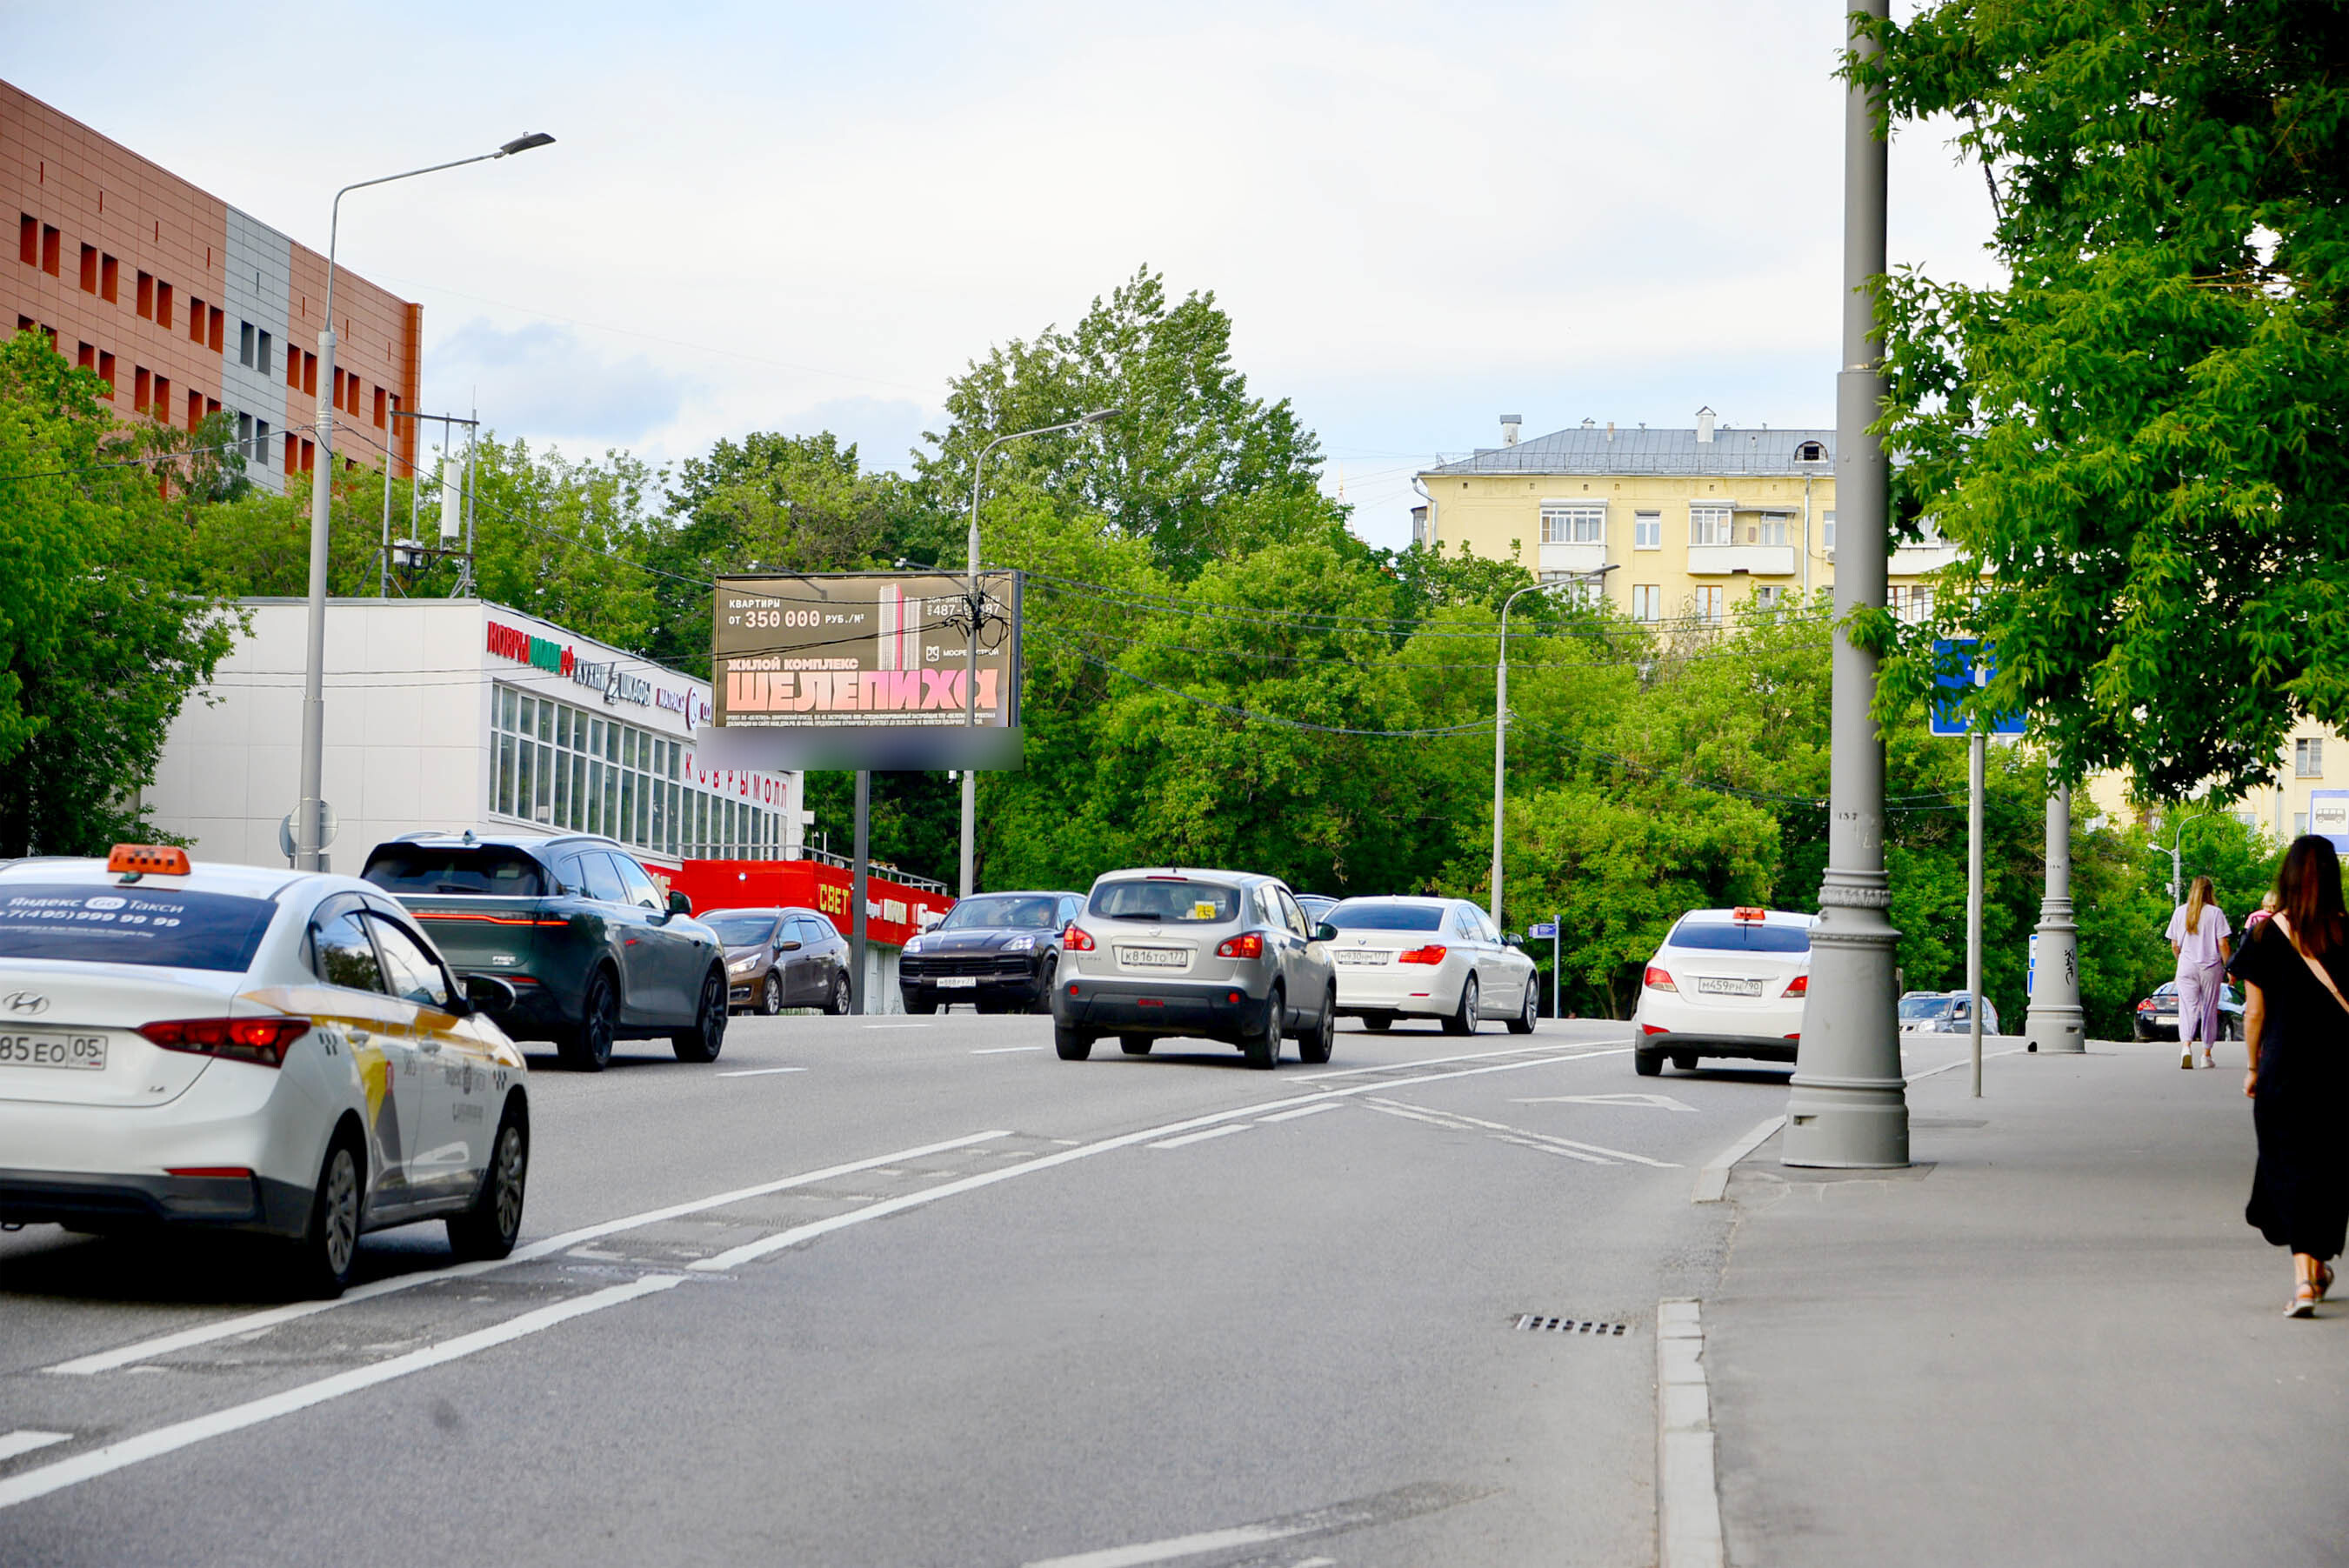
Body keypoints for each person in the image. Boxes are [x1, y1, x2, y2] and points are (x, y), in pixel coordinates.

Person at [2227, 837, 2349, 1318]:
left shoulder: (2262, 937)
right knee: (2329, 1171)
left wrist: (2254, 1067)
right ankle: (2315, 1270)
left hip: (2284, 1071)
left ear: (2289, 876)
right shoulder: (2346, 932)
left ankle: (2304, 1278)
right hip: (2340, 1073)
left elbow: (2253, 1013)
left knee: (2290, 1166)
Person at [2166, 876, 2234, 1067]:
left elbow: (2174, 945)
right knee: (2209, 1009)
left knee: (2187, 1009)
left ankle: (2186, 1047)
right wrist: (2229, 967)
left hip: (2186, 965)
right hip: (2210, 967)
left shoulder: (2180, 913)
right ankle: (2206, 1055)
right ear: (2209, 891)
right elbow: (2223, 943)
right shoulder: (2215, 913)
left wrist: (2181, 961)